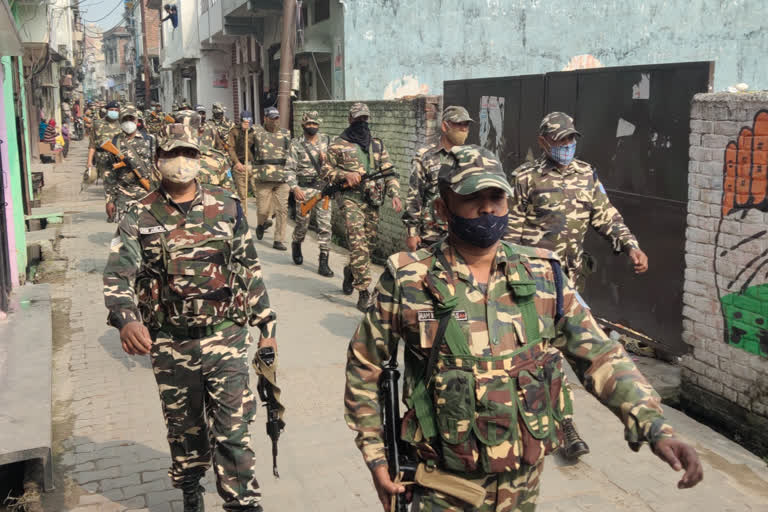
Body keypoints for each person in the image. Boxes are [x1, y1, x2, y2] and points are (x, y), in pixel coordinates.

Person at [343, 145, 703, 512]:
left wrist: (654, 425)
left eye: (496, 197)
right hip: (441, 485)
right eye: (472, 198)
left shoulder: (542, 274)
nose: (487, 208)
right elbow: (364, 366)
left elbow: (600, 355)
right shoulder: (410, 280)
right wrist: (376, 455)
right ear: (443, 208)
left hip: (521, 486)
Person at [103, 121, 275, 512]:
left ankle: (242, 503)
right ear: (159, 160)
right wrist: (126, 317)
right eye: (172, 155)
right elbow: (118, 273)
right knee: (185, 430)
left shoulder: (228, 206)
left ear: (200, 160)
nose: (181, 163)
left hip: (225, 336)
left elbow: (248, 268)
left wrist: (267, 328)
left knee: (233, 431)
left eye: (189, 154)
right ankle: (190, 486)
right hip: (170, 340)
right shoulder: (138, 214)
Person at [506, 112, 649, 293]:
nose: (567, 144)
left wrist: (631, 247)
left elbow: (607, 217)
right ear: (543, 142)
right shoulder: (525, 177)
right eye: (560, 140)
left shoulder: (587, 174)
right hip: (535, 277)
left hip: (573, 277)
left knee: (571, 322)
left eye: (571, 138)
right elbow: (510, 231)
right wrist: (514, 274)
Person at [325, 102, 402, 311]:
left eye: (364, 119)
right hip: (350, 199)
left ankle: (351, 270)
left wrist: (394, 194)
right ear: (350, 119)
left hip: (372, 199)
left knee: (367, 245)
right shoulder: (337, 144)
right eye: (357, 119)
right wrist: (344, 175)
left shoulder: (376, 145)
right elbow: (326, 171)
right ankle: (363, 292)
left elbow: (388, 172)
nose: (361, 123)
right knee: (358, 243)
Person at [403, 105, 473, 251]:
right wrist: (412, 233)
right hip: (431, 235)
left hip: (463, 235)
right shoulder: (425, 156)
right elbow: (414, 196)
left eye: (466, 124)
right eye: (458, 124)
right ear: (444, 126)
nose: (463, 129)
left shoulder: (471, 157)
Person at [285, 111, 334, 277]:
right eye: (309, 124)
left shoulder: (327, 141)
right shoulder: (296, 144)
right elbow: (289, 169)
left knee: (325, 224)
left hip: (324, 190)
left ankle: (324, 259)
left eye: (315, 124)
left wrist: (326, 159)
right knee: (302, 223)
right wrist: (294, 187)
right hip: (304, 190)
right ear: (303, 125)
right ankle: (297, 242)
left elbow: (337, 163)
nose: (312, 126)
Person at [104, 105, 157, 223]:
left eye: (131, 119)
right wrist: (110, 200)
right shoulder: (114, 143)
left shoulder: (150, 140)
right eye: (125, 119)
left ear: (137, 120)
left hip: (148, 191)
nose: (128, 122)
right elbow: (109, 174)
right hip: (123, 193)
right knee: (126, 230)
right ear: (120, 121)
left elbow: (157, 166)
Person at [250, 106, 292, 251]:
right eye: (272, 118)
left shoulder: (286, 134)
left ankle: (278, 239)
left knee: (282, 210)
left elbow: (291, 154)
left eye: (277, 118)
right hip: (263, 178)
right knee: (262, 210)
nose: (275, 121)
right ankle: (261, 224)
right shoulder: (256, 132)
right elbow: (244, 146)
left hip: (282, 178)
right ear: (265, 118)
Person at [88, 100, 123, 197]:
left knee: (122, 187)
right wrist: (89, 162)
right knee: (109, 188)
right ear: (106, 111)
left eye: (116, 110)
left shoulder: (122, 124)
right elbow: (92, 145)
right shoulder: (97, 124)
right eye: (112, 109)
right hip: (104, 161)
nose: (114, 112)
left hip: (120, 159)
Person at [228, 110, 256, 209]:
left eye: (249, 122)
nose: (247, 124)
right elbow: (231, 148)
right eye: (245, 122)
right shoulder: (234, 131)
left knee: (260, 193)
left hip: (253, 165)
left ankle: (263, 220)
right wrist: (237, 163)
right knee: (243, 196)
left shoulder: (255, 131)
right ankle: (244, 218)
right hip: (240, 165)